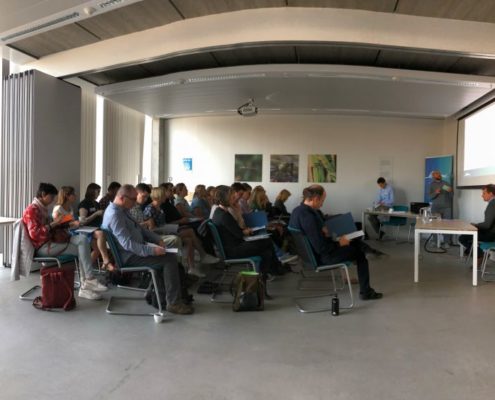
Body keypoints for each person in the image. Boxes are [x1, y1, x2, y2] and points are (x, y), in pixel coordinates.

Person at [102, 184, 194, 315]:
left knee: (167, 256)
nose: (135, 202)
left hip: (135, 251)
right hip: (129, 256)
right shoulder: (115, 215)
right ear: (122, 198)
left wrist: (157, 240)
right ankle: (173, 303)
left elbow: (141, 229)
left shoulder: (122, 210)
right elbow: (128, 244)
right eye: (133, 199)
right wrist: (152, 251)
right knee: (169, 259)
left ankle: (160, 296)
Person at [289, 185, 383, 301]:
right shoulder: (309, 217)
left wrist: (324, 230)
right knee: (359, 254)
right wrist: (340, 243)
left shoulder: (298, 211)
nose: (322, 204)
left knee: (351, 241)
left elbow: (314, 236)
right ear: (315, 199)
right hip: (322, 257)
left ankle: (367, 249)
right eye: (322, 201)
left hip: (311, 255)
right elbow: (321, 248)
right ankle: (366, 292)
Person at [23, 182, 106, 300]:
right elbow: (35, 234)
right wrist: (54, 224)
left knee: (83, 240)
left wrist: (64, 224)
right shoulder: (32, 210)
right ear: (43, 194)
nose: (53, 200)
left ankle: (88, 281)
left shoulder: (41, 209)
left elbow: (52, 227)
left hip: (54, 240)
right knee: (82, 250)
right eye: (51, 197)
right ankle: (86, 285)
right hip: (43, 247)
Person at [211, 185, 283, 298]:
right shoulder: (224, 215)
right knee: (267, 242)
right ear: (224, 198)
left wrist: (245, 231)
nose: (234, 198)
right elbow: (239, 234)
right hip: (234, 250)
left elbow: (236, 231)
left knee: (266, 252)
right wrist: (247, 231)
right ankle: (274, 270)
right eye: (231, 196)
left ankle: (265, 282)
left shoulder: (219, 212)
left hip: (232, 247)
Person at [54, 186, 115, 271]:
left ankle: (84, 269)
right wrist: (74, 223)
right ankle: (106, 261)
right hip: (69, 234)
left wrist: (75, 223)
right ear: (67, 196)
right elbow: (58, 225)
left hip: (77, 229)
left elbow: (69, 222)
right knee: (100, 234)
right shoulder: (58, 209)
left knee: (97, 248)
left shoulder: (70, 208)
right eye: (73, 194)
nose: (75, 196)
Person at [459, 184, 495, 259]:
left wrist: (475, 225)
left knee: (462, 238)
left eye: (484, 193)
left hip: (491, 235)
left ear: (491, 194)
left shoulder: (492, 204)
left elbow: (487, 225)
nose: (482, 195)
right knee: (471, 234)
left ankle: (480, 254)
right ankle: (473, 252)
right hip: (492, 233)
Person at [429, 170, 453, 247]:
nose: (438, 175)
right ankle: (434, 241)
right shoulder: (432, 184)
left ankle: (446, 242)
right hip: (435, 207)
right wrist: (435, 193)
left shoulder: (445, 183)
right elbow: (430, 196)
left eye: (439, 174)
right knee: (434, 224)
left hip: (446, 207)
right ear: (433, 176)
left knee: (447, 224)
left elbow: (451, 194)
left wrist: (450, 191)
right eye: (436, 174)